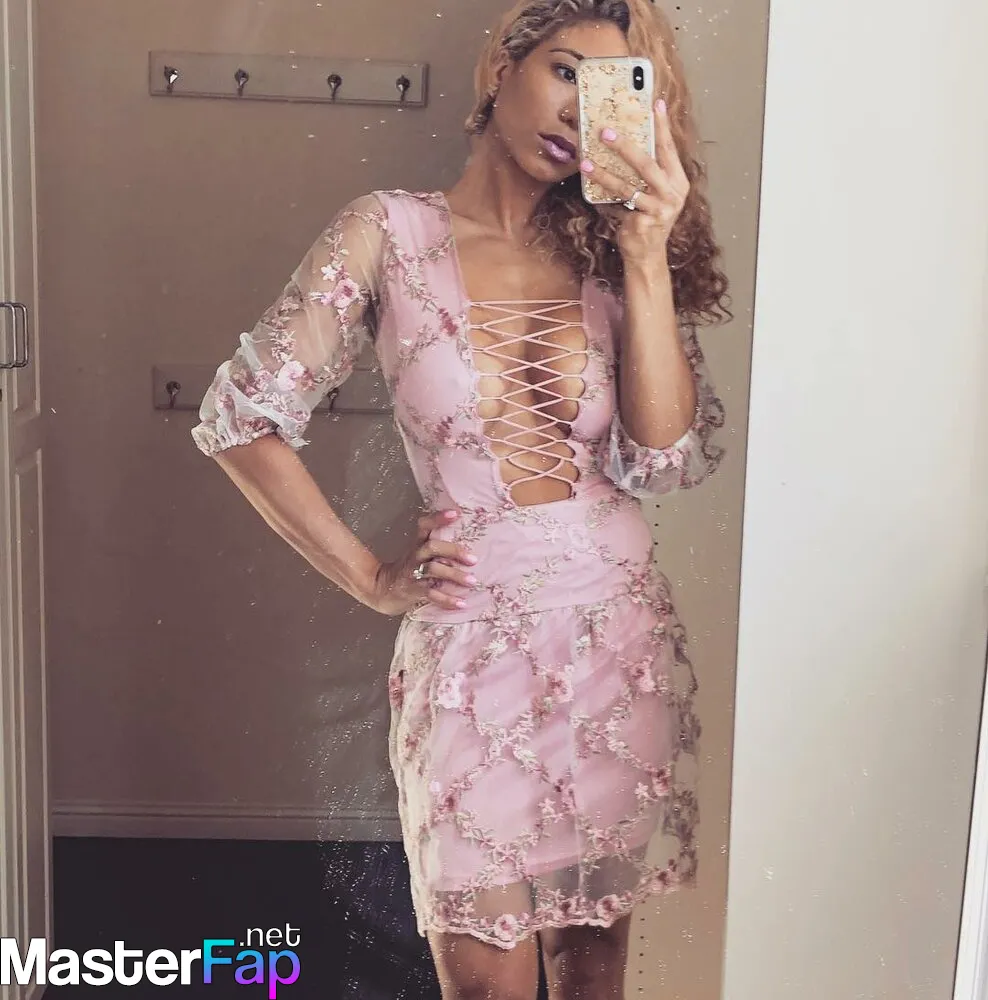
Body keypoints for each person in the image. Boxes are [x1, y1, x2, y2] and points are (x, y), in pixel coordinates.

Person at [192, 0, 729, 995]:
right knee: (485, 981)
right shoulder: (387, 231)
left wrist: (647, 252)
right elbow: (241, 416)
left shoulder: (610, 253)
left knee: (592, 971)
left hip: (611, 636)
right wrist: (371, 578)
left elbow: (661, 460)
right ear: (501, 65)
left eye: (610, 89)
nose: (578, 111)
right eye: (565, 71)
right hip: (471, 648)